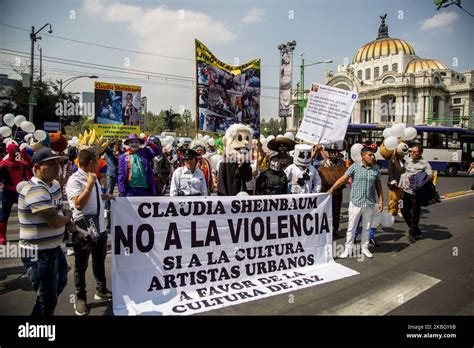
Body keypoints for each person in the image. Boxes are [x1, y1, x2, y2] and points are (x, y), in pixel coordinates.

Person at [18, 148, 72, 316]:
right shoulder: (35, 190)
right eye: (51, 164)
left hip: (53, 248)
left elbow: (58, 207)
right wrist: (67, 217)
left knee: (60, 283)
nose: (57, 167)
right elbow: (55, 221)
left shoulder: (54, 184)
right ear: (37, 168)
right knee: (47, 300)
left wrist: (73, 230)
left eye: (58, 163)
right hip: (38, 253)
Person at [66, 149, 114, 315]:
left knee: (99, 260)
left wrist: (106, 196)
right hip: (83, 229)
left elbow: (94, 198)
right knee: (81, 265)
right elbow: (78, 204)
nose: (100, 163)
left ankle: (101, 289)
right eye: (97, 160)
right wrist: (89, 185)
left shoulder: (92, 177)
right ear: (91, 163)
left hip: (99, 228)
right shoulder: (75, 180)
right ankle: (80, 298)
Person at [328, 146, 384, 259]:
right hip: (356, 203)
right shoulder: (355, 167)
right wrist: (332, 188)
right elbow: (343, 178)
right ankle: (348, 248)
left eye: (372, 155)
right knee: (351, 227)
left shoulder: (375, 169)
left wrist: (381, 200)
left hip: (369, 203)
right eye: (369, 155)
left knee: (367, 227)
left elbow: (378, 186)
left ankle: (365, 248)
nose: (372, 157)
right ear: (362, 156)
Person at [399, 145, 433, 244]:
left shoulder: (425, 163)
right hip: (405, 191)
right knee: (402, 209)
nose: (412, 153)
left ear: (420, 153)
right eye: (411, 151)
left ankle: (412, 233)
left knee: (415, 214)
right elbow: (402, 172)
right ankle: (416, 229)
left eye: (415, 152)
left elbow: (430, 176)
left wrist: (420, 178)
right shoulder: (408, 160)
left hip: (416, 194)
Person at [0, 143, 32, 244]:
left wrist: (25, 156)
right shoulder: (4, 164)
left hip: (19, 191)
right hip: (7, 191)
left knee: (27, 211)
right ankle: (2, 236)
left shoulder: (21, 163)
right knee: (4, 214)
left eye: (16, 151)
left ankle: (29, 234)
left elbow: (30, 166)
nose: (15, 153)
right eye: (13, 151)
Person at [319, 143, 347, 238]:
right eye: (332, 152)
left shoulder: (341, 163)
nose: (334, 154)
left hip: (338, 190)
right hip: (326, 190)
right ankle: (325, 229)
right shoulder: (323, 163)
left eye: (336, 152)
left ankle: (335, 229)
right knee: (325, 211)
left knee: (336, 211)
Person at [217, 124, 253, 196]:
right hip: (229, 198)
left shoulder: (246, 161)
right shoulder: (224, 163)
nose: (245, 142)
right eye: (240, 139)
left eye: (247, 139)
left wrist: (242, 166)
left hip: (242, 197)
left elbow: (248, 178)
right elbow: (222, 185)